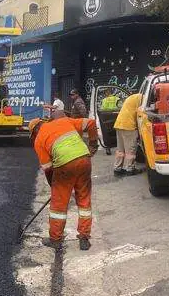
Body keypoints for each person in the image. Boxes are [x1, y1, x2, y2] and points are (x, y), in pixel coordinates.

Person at [29, 110, 99, 251]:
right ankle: (84, 237)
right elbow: (91, 123)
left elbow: (48, 168)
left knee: (58, 207)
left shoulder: (38, 140)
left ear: (36, 130)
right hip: (84, 160)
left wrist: (53, 186)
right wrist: (93, 145)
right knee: (84, 200)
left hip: (65, 166)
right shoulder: (64, 121)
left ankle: (55, 239)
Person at [113, 93, 143, 176]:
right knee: (130, 149)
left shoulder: (133, 97)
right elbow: (141, 114)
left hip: (119, 123)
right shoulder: (142, 99)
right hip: (129, 126)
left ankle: (117, 168)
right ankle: (130, 169)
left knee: (120, 150)